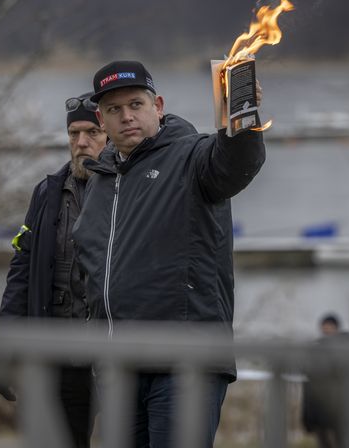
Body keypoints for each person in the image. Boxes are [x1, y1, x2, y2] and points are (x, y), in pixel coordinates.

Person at [72, 60, 266, 447]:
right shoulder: (100, 182)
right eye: (114, 110)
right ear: (102, 120)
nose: (126, 116)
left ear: (157, 105)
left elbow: (235, 164)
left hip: (185, 364)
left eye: (136, 105)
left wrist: (240, 120)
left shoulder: (192, 156)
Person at [0, 92, 107, 448]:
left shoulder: (128, 190)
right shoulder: (46, 194)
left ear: (109, 135)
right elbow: (21, 274)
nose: (81, 143)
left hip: (111, 353)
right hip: (54, 354)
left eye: (92, 133)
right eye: (74, 134)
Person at [302, 314, 349, 448]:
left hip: (337, 405)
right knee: (323, 439)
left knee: (339, 438)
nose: (327, 330)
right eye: (325, 326)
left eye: (330, 327)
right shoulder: (315, 348)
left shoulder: (345, 348)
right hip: (319, 405)